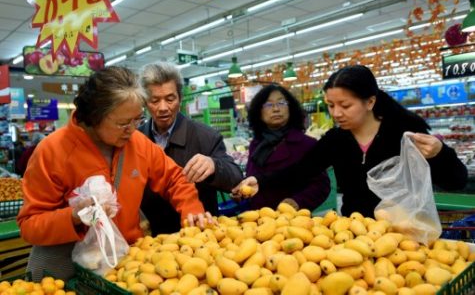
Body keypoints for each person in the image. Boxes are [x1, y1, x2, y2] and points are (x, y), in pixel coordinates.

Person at [17, 66, 213, 281]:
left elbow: (174, 178)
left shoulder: (138, 144)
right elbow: (30, 225)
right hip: (71, 269)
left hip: (126, 265)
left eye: (137, 120)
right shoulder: (52, 152)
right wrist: (72, 217)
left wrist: (192, 209)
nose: (132, 129)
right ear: (93, 117)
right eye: (122, 123)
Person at [233, 65, 467, 217]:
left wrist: (440, 153)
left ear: (370, 102)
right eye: (331, 106)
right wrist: (260, 181)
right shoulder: (336, 140)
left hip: (404, 233)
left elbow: (456, 181)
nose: (336, 114)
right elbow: (300, 171)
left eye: (345, 106)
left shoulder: (405, 133)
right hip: (355, 233)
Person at [138, 62, 243, 234]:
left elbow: (235, 178)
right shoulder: (136, 139)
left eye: (170, 99)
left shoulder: (205, 136)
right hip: (151, 240)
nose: (163, 107)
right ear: (145, 102)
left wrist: (214, 165)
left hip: (199, 237)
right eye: (155, 100)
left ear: (180, 98)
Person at [231, 84, 330, 211]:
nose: (276, 109)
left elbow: (321, 185)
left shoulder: (306, 144)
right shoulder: (256, 145)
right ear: (259, 111)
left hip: (293, 222)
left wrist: (298, 202)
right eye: (269, 104)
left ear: (291, 108)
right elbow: (253, 177)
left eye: (281, 103)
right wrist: (242, 193)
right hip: (258, 221)